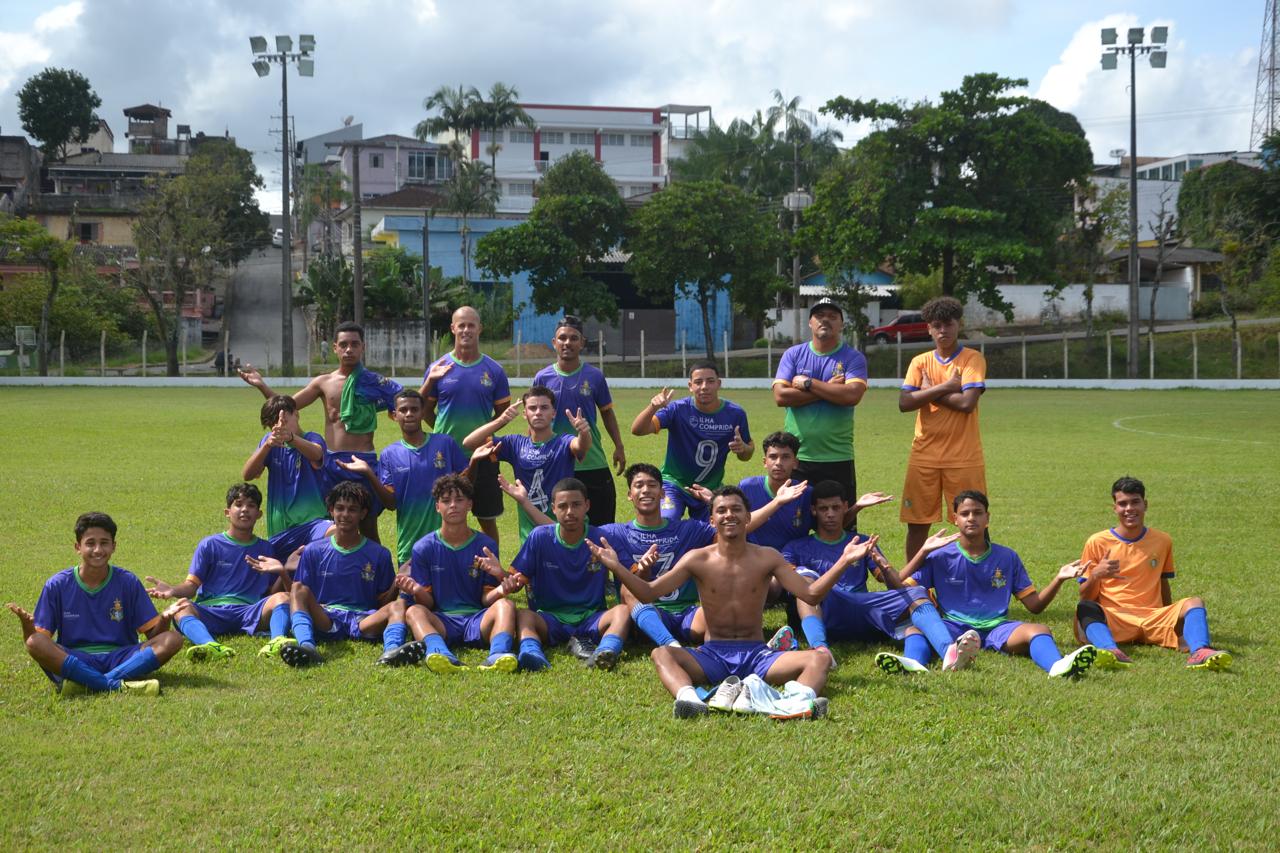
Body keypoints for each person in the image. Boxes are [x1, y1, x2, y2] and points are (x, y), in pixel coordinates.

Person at [588, 486, 875, 719]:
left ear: (748, 517)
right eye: (721, 510)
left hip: (758, 654)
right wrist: (617, 567)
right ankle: (692, 701)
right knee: (662, 654)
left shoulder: (767, 557)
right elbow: (649, 593)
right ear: (712, 520)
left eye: (736, 509)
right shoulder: (697, 559)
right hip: (712, 655)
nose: (729, 515)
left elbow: (810, 595)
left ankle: (791, 704)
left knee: (820, 658)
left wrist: (844, 561)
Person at [507, 463, 808, 651]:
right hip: (647, 613)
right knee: (628, 590)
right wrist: (525, 503)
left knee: (721, 597)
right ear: (630, 496)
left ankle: (753, 648)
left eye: (652, 485)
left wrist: (777, 503)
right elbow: (564, 528)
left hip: (689, 612)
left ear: (663, 493)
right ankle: (671, 646)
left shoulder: (690, 529)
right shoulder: (612, 533)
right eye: (639, 486)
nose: (646, 491)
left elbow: (733, 526)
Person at [885, 490, 1097, 679]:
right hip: (952, 628)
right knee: (915, 629)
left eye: (977, 513)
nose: (971, 518)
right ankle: (914, 664)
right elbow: (901, 588)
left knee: (1039, 629)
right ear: (955, 519)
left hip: (997, 628)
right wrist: (923, 552)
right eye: (965, 514)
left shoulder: (1007, 557)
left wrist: (1059, 578)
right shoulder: (939, 556)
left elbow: (1035, 606)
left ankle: (1057, 666)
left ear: (987, 518)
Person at [239, 321, 402, 541]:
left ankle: (376, 572)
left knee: (367, 524)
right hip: (331, 464)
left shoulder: (375, 382)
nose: (349, 349)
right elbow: (286, 408)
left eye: (354, 344)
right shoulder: (323, 383)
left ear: (363, 347)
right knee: (333, 525)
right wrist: (262, 386)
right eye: (343, 344)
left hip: (363, 461)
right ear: (334, 347)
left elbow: (407, 404)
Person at [782, 480, 955, 671]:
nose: (830, 514)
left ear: (845, 507)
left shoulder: (862, 542)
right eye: (823, 509)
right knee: (805, 584)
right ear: (814, 510)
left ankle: (945, 653)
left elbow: (896, 586)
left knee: (917, 593)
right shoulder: (796, 547)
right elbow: (793, 587)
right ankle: (821, 649)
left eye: (835, 507)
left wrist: (897, 562)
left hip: (866, 610)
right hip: (831, 610)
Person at [6, 512, 182, 696]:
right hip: (76, 657)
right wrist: (27, 628)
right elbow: (40, 642)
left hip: (122, 657)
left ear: (114, 546)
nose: (98, 550)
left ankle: (89, 683)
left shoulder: (128, 582)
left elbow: (155, 636)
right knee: (34, 641)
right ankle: (114, 685)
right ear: (78, 547)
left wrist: (164, 618)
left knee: (173, 638)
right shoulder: (57, 585)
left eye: (104, 543)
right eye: (90, 543)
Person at [1074, 476, 1231, 670]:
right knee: (1086, 607)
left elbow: (1163, 582)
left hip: (1153, 618)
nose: (1129, 509)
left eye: (1135, 502)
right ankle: (1110, 650)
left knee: (1195, 603)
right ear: (1115, 508)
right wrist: (1096, 574)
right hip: (1116, 618)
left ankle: (1200, 651)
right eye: (1122, 504)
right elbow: (1085, 597)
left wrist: (1172, 616)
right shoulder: (1097, 542)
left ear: (1145, 504)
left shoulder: (1162, 540)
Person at [252, 482, 414, 668]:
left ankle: (392, 652)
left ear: (363, 513)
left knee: (399, 604)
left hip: (362, 619)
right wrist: (284, 571)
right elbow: (299, 597)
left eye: (352, 509)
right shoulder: (314, 550)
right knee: (298, 587)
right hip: (326, 617)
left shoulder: (379, 554)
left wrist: (397, 583)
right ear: (331, 511)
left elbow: (382, 603)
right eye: (340, 508)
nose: (345, 514)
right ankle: (307, 647)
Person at [144, 483, 293, 660]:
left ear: (259, 514)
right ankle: (209, 644)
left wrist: (284, 570)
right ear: (227, 512)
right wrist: (173, 590)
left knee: (283, 598)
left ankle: (277, 641)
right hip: (212, 610)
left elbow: (270, 594)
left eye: (251, 505)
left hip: (248, 611)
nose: (244, 510)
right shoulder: (210, 544)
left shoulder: (266, 548)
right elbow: (192, 586)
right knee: (181, 607)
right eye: (238, 504)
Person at [498, 478, 632, 671]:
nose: (570, 512)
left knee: (622, 612)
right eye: (563, 506)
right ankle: (531, 653)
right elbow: (516, 581)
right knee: (525, 616)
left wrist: (640, 567)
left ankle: (606, 651)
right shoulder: (540, 536)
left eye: (576, 505)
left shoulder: (601, 538)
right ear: (553, 508)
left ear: (587, 505)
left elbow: (630, 574)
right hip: (550, 618)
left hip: (592, 618)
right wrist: (499, 574)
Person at [395, 474, 522, 674]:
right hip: (442, 621)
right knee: (413, 611)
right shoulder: (423, 548)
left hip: (477, 619)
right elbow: (427, 604)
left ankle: (498, 654)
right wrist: (417, 590)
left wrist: (500, 590)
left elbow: (485, 599)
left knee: (506, 605)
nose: (453, 505)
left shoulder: (486, 545)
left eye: (459, 500)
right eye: (446, 501)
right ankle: (440, 653)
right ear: (437, 507)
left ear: (470, 505)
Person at [333, 389, 467, 569]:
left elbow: (466, 484)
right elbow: (391, 503)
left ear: (422, 412)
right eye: (403, 410)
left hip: (450, 541)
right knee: (413, 596)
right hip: (410, 544)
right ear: (394, 415)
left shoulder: (445, 443)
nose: (409, 414)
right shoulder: (389, 454)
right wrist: (369, 473)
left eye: (414, 409)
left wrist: (475, 461)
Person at [898, 295, 987, 561]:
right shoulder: (920, 362)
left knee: (974, 523)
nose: (943, 331)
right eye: (936, 325)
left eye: (948, 324)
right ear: (928, 328)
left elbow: (967, 403)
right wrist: (947, 387)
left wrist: (928, 392)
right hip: (923, 456)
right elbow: (904, 403)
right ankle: (913, 583)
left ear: (958, 324)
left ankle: (975, 575)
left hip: (964, 458)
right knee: (917, 523)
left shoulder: (972, 359)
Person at [419, 306, 512, 549]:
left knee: (486, 519)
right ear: (452, 328)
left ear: (480, 328)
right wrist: (443, 433)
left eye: (471, 325)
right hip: (445, 457)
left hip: (483, 455)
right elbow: (425, 411)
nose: (466, 330)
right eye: (461, 325)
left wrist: (480, 435)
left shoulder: (494, 370)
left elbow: (502, 414)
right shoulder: (438, 368)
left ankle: (492, 573)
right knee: (444, 516)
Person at [463, 385, 590, 545]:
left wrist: (584, 432)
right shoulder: (515, 444)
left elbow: (581, 446)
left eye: (544, 407)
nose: (538, 412)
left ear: (553, 413)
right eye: (532, 408)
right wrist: (501, 420)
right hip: (528, 536)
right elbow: (469, 442)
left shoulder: (563, 442)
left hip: (562, 529)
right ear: (525, 414)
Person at [772, 297, 868, 508]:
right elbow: (781, 396)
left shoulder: (853, 358)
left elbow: (852, 396)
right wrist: (827, 388)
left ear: (841, 324)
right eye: (819, 316)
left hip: (837, 456)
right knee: (795, 523)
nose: (826, 320)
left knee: (839, 524)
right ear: (810, 322)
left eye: (833, 317)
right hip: (797, 457)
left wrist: (808, 383)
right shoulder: (794, 354)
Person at [532, 315, 627, 525]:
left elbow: (607, 413)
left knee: (602, 526)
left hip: (592, 461)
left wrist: (619, 446)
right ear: (554, 343)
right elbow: (534, 418)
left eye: (573, 338)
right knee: (559, 527)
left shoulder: (595, 376)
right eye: (562, 338)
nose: (567, 343)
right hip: (557, 462)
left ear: (582, 342)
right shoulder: (542, 378)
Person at [631, 360, 753, 523]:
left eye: (710, 381)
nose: (704, 386)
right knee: (668, 521)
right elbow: (638, 430)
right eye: (698, 382)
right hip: (674, 483)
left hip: (711, 488)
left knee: (719, 528)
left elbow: (747, 453)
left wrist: (743, 448)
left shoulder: (735, 414)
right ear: (690, 386)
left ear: (718, 383)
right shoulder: (677, 409)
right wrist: (652, 407)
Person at [241, 394, 327, 538]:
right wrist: (266, 446)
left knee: (335, 532)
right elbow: (247, 475)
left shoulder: (312, 438)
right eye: (272, 425)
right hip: (280, 530)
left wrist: (291, 438)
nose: (279, 427)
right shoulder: (270, 443)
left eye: (285, 421)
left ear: (297, 414)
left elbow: (317, 454)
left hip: (313, 525)